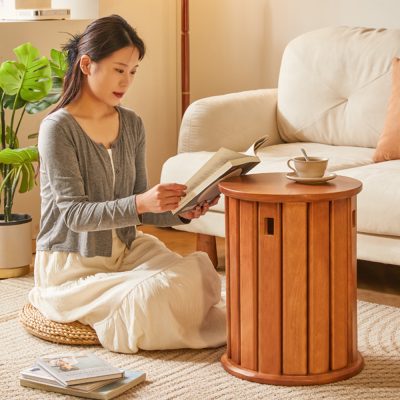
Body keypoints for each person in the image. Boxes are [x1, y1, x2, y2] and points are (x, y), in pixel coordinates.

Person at [29, 15, 226, 353]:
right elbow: (76, 215)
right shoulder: (57, 128)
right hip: (74, 266)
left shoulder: (132, 123)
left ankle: (147, 300)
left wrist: (181, 213)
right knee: (151, 300)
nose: (127, 81)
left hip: (127, 250)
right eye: (119, 70)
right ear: (87, 65)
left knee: (201, 276)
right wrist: (142, 203)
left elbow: (142, 213)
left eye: (133, 71)